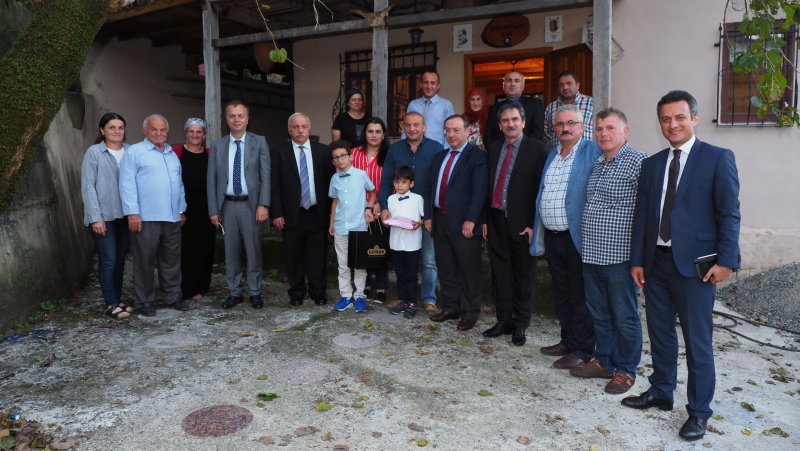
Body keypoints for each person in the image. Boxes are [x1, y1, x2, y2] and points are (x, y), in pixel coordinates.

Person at [624, 90, 740, 441]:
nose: (672, 124)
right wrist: (638, 260)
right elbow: (643, 216)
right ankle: (661, 391)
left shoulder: (717, 158)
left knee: (697, 342)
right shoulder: (652, 164)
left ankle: (699, 411)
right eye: (665, 119)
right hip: (656, 264)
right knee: (659, 333)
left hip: (695, 268)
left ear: (694, 118)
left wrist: (727, 261)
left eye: (679, 117)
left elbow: (729, 213)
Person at [569, 107, 646, 395]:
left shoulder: (639, 161)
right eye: (599, 129)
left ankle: (626, 369)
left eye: (610, 128)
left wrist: (641, 257)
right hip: (591, 254)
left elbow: (647, 210)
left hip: (619, 257)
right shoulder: (599, 163)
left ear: (625, 131)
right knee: (599, 314)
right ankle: (604, 361)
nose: (603, 133)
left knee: (624, 316)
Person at [529, 104, 600, 367]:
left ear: (582, 126)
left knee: (579, 294)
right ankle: (568, 340)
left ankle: (582, 349)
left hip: (577, 237)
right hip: (553, 236)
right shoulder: (553, 154)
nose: (565, 128)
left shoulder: (592, 151)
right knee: (562, 292)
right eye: (560, 124)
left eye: (570, 123)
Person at [482, 103, 548, 346]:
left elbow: (542, 189)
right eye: (505, 121)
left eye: (514, 119)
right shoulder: (494, 148)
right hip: (496, 219)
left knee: (523, 276)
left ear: (523, 122)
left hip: (523, 224)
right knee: (500, 274)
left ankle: (520, 324)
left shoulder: (538, 149)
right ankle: (504, 320)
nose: (510, 124)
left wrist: (534, 224)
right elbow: (487, 185)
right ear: (499, 125)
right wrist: (485, 220)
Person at [119, 114, 189, 317]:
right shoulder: (134, 152)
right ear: (145, 131)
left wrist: (181, 209)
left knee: (171, 260)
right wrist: (132, 213)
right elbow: (127, 183)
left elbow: (178, 184)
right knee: (144, 260)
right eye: (154, 129)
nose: (159, 133)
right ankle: (145, 301)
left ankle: (173, 296)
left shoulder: (171, 153)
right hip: (146, 217)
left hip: (172, 217)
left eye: (162, 129)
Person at [426, 115, 488, 332]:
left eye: (455, 130)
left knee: (468, 269)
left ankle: (470, 313)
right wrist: (429, 216)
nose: (450, 134)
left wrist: (472, 219)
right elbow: (430, 187)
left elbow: (480, 191)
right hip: (440, 220)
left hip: (464, 223)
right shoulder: (439, 157)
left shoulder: (478, 156)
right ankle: (451, 307)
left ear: (467, 131)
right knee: (446, 267)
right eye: (447, 130)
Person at [208, 101, 271, 310]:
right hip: (227, 205)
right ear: (226, 119)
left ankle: (255, 292)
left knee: (254, 251)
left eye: (240, 115)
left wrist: (263, 204)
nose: (236, 119)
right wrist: (213, 210)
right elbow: (211, 179)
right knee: (230, 252)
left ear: (247, 118)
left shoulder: (259, 142)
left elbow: (266, 176)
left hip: (251, 206)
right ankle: (234, 292)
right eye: (232, 116)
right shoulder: (218, 145)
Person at [379, 112, 443, 315]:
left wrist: (429, 216)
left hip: (426, 213)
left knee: (428, 259)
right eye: (408, 125)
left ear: (424, 127)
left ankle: (429, 299)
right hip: (400, 216)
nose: (412, 128)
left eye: (416, 124)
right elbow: (386, 179)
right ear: (403, 127)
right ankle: (405, 298)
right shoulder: (395, 149)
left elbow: (439, 183)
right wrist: (384, 206)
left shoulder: (436, 148)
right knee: (402, 261)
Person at [271, 113, 332, 306]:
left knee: (317, 255)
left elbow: (330, 184)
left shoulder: (323, 151)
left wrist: (331, 215)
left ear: (309, 129)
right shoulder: (279, 152)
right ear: (289, 130)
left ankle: (318, 291)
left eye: (303, 126)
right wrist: (276, 212)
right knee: (293, 256)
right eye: (295, 127)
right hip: (291, 214)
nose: (300, 130)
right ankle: (296, 292)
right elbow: (274, 185)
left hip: (317, 212)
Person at [81, 112, 132, 319]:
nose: (117, 131)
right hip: (104, 217)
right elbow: (88, 187)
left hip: (126, 215)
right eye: (112, 127)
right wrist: (96, 217)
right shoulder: (94, 153)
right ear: (102, 130)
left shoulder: (130, 151)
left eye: (120, 127)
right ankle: (111, 304)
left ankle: (117, 300)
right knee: (109, 259)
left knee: (120, 259)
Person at [328, 140, 377, 313]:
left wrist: (368, 208)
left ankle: (359, 296)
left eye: (343, 155)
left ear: (351, 156)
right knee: (343, 264)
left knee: (359, 265)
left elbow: (373, 191)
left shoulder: (361, 175)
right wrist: (331, 222)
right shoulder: (334, 179)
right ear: (333, 161)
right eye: (336, 157)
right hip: (341, 226)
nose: (340, 159)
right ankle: (346, 296)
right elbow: (335, 201)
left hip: (359, 227)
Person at [173, 118, 215, 302]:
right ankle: (186, 288)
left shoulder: (210, 154)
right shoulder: (176, 152)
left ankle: (202, 286)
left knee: (206, 248)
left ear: (204, 135)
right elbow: (171, 182)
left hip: (206, 209)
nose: (195, 135)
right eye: (191, 131)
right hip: (184, 209)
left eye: (199, 132)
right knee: (186, 250)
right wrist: (178, 210)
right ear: (186, 133)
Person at [351, 118, 390, 303]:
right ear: (364, 134)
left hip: (380, 207)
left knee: (379, 245)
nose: (374, 135)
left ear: (383, 135)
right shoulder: (353, 153)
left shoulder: (389, 155)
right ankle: (364, 285)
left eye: (378, 131)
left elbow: (392, 182)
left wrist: (380, 203)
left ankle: (381, 286)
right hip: (357, 208)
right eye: (370, 131)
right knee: (362, 246)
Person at [386, 166, 424, 319]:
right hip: (395, 242)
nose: (400, 185)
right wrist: (386, 221)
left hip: (412, 243)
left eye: (404, 182)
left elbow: (424, 218)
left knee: (411, 274)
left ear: (411, 184)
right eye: (397, 182)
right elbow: (389, 218)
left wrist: (419, 223)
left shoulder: (418, 199)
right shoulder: (390, 199)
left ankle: (412, 303)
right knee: (400, 273)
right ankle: (402, 300)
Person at [485, 71, 545, 145]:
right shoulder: (494, 108)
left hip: (528, 150)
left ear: (523, 86)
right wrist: (497, 149)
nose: (512, 84)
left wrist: (519, 149)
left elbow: (538, 133)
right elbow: (488, 136)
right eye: (509, 80)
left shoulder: (535, 105)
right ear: (504, 86)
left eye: (517, 81)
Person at [543, 70, 594, 149]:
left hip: (588, 153)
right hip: (559, 154)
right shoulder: (551, 107)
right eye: (561, 85)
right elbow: (547, 135)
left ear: (577, 85)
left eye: (569, 83)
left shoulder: (591, 103)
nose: (565, 87)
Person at [404, 71, 455, 146]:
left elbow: (450, 131)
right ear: (421, 85)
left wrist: (445, 150)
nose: (429, 86)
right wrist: (403, 147)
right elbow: (406, 128)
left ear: (438, 86)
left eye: (432, 83)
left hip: (437, 150)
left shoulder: (446, 105)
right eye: (426, 83)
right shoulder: (413, 105)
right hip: (414, 149)